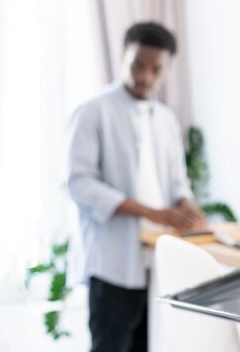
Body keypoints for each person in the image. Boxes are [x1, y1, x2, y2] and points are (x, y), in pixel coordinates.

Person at [67, 22, 205, 352]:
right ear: (122, 57)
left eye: (155, 69)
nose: (145, 76)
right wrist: (151, 212)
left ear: (168, 68)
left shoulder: (167, 119)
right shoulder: (92, 111)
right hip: (113, 264)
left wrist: (187, 205)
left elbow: (177, 181)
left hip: (157, 261)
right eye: (137, 65)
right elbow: (80, 183)